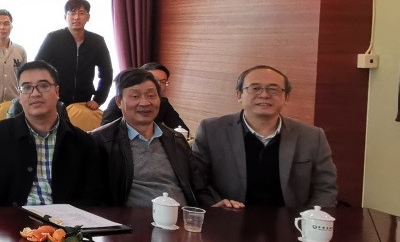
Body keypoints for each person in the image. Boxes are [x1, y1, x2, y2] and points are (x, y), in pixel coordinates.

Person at [192, 65, 338, 210]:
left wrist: (310, 220)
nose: (264, 95)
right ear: (239, 95)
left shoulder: (312, 136)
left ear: (286, 97)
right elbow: (198, 182)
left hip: (292, 221)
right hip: (229, 218)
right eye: (255, 88)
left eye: (273, 89)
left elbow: (325, 188)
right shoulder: (211, 130)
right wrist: (216, 206)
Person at [0, 60, 102, 207]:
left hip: (66, 220)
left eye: (43, 86)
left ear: (57, 92)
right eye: (26, 87)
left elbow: (93, 194)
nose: (35, 93)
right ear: (19, 95)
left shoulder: (83, 142)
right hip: (8, 218)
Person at [91, 68, 212, 208]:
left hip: (180, 217)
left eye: (151, 95)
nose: (145, 103)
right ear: (119, 101)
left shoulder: (176, 140)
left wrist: (215, 205)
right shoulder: (101, 141)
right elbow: (94, 196)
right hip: (129, 219)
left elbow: (199, 188)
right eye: (135, 96)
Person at [34, 0, 113, 132]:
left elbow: (106, 73)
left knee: (80, 136)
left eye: (81, 13)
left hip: (83, 103)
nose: (76, 17)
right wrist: (44, 93)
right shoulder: (53, 38)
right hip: (55, 100)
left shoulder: (97, 41)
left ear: (88, 17)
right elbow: (38, 68)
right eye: (72, 13)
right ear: (65, 16)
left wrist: (98, 99)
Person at [100, 62, 188, 133]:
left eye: (163, 81)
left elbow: (182, 129)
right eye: (154, 79)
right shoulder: (121, 101)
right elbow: (106, 130)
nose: (158, 85)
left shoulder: (163, 102)